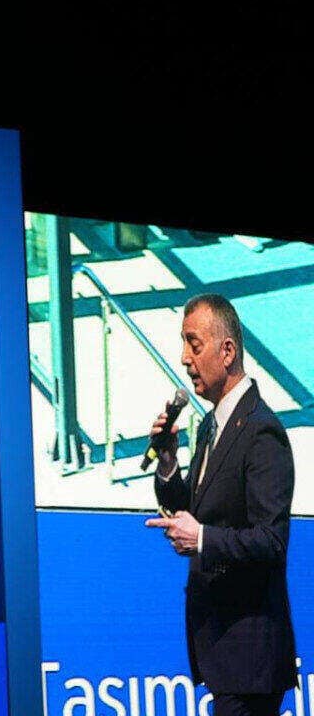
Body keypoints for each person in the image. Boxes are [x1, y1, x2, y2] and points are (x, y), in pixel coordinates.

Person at [145, 293, 296, 715]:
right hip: (221, 648)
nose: (184, 358)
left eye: (194, 344)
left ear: (227, 351)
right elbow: (193, 511)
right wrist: (168, 463)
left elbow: (271, 541)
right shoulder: (211, 426)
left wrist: (202, 539)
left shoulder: (262, 431)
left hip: (250, 654)